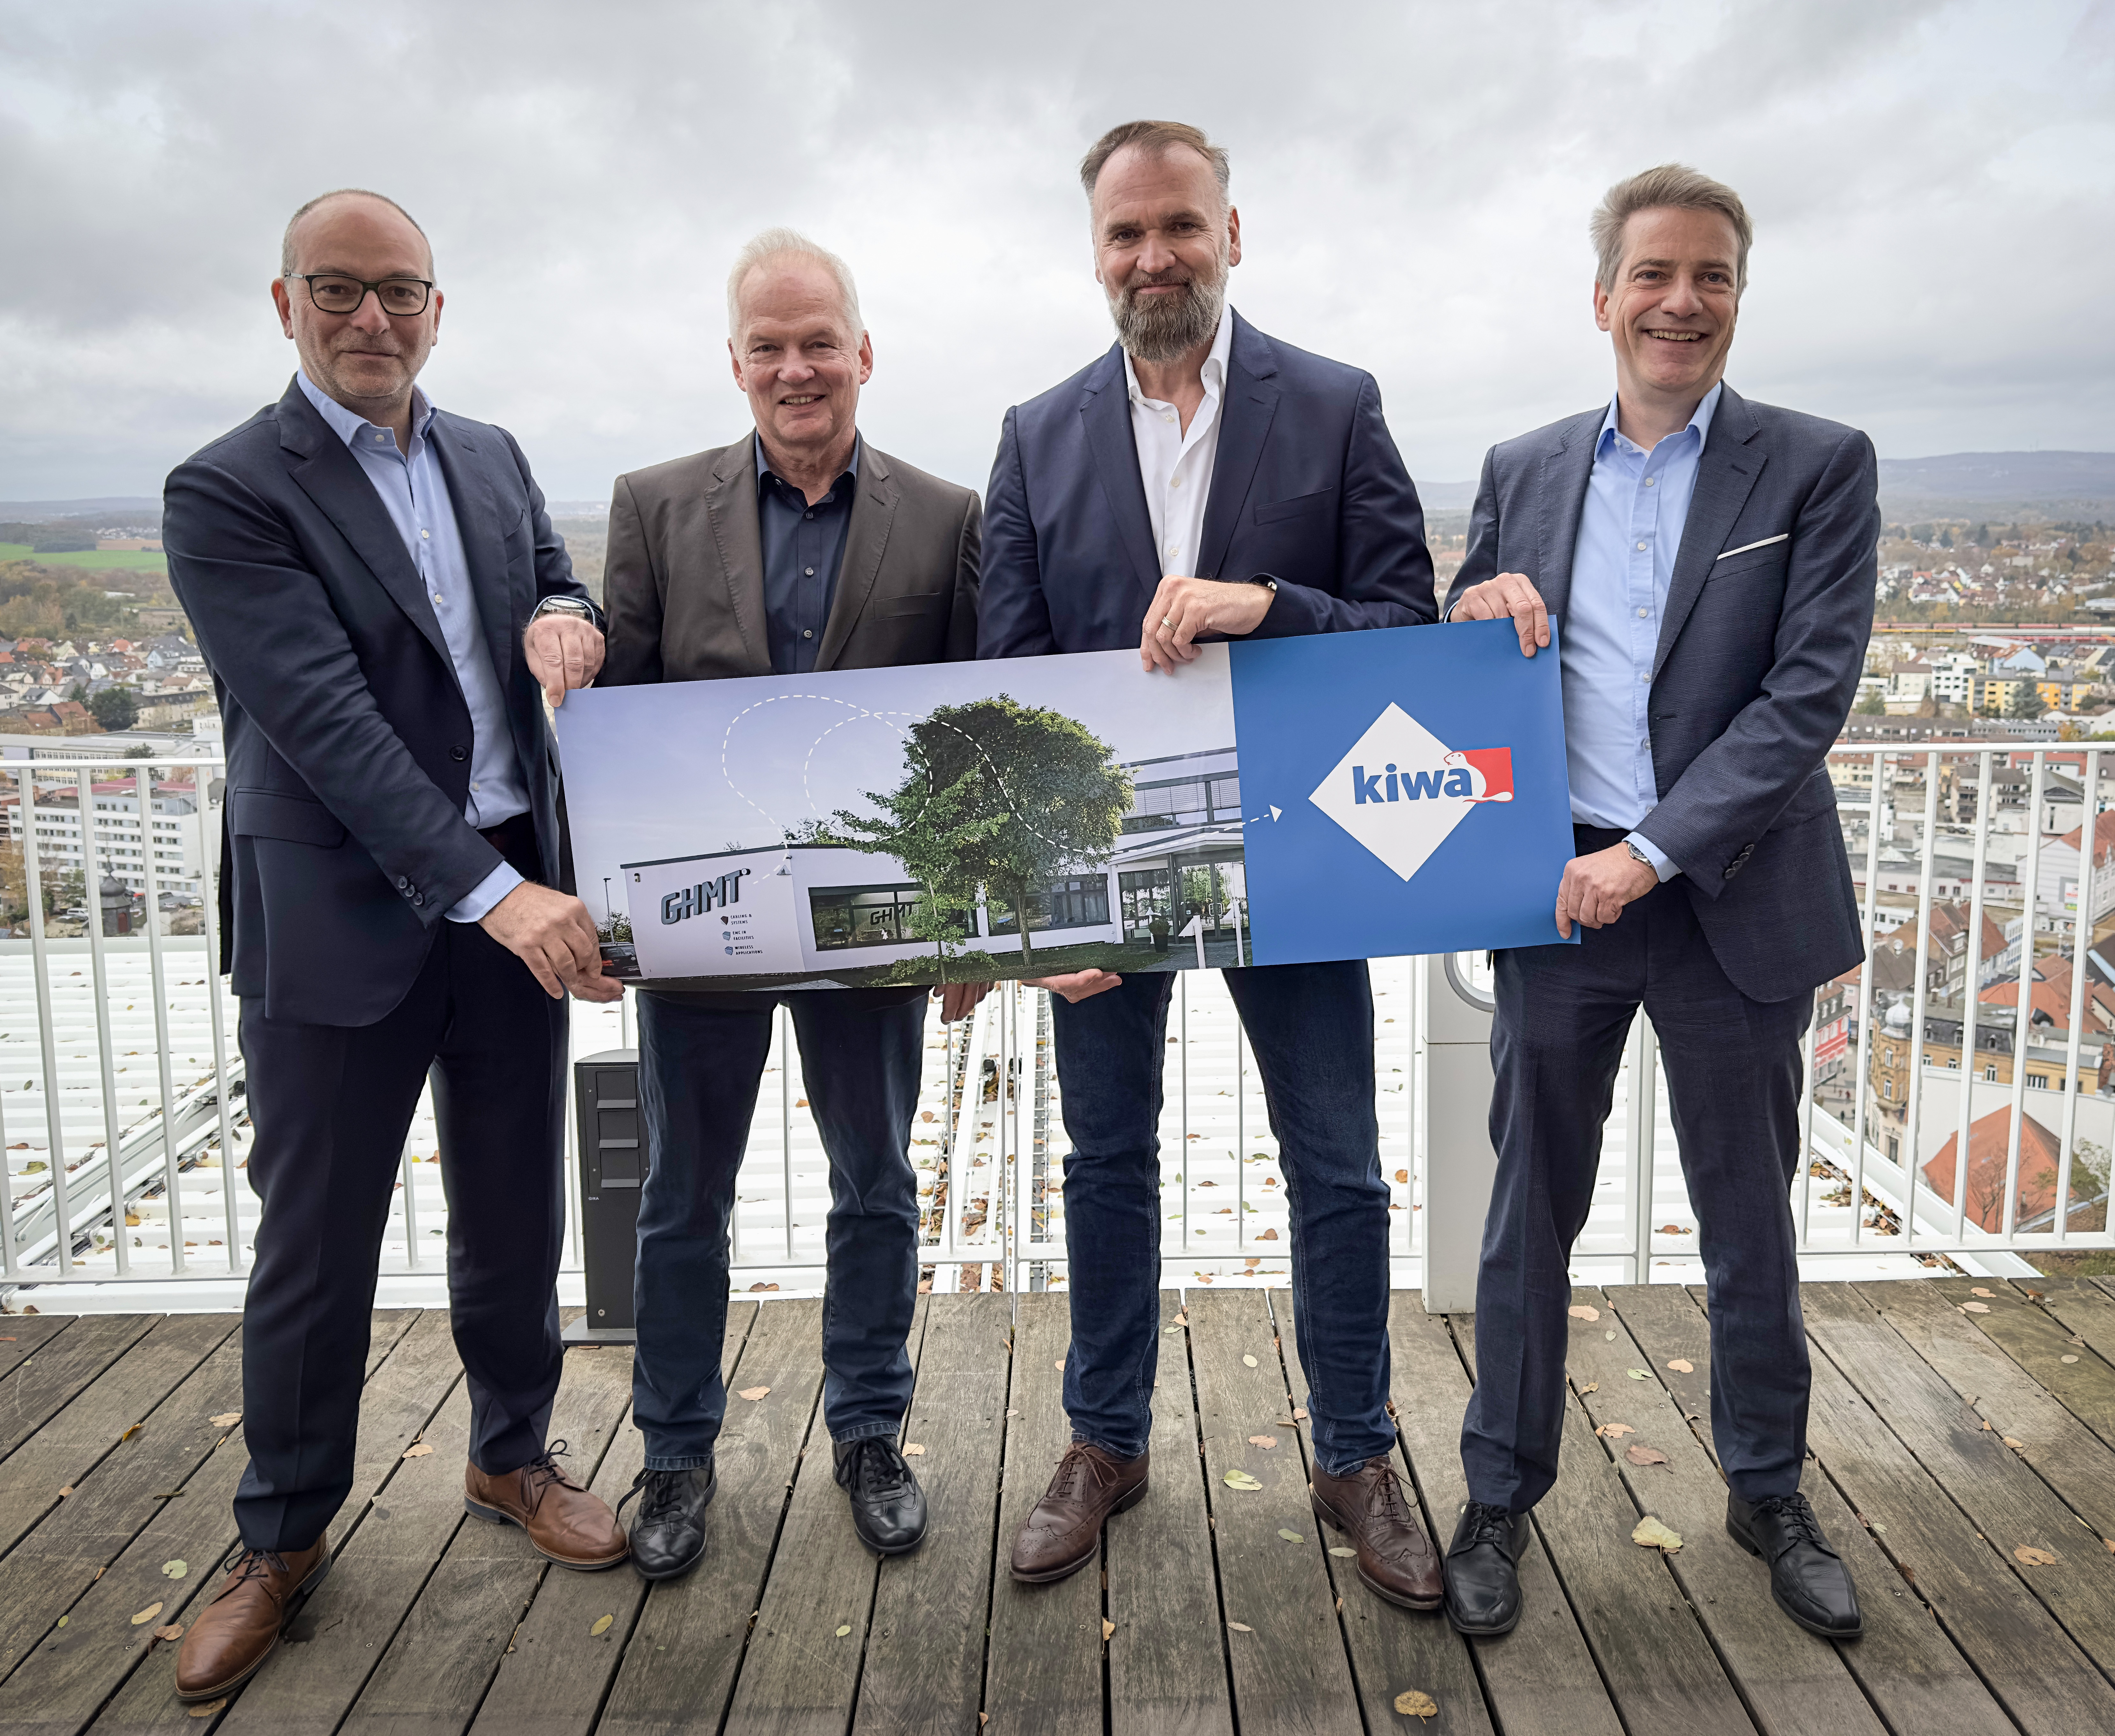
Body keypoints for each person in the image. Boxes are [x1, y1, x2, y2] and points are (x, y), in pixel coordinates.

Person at [162, 189, 627, 1703]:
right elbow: (332, 731)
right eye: (340, 290)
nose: (373, 318)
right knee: (316, 1245)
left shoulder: (489, 456)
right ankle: (282, 1536)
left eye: (401, 292)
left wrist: (565, 614)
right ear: (284, 301)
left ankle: (510, 1456)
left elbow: (544, 583)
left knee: (513, 1208)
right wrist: (499, 899)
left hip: (512, 893)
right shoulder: (225, 489)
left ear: (440, 307)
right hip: (347, 918)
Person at [980, 121, 1442, 1609]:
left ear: (1230, 234)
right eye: (1125, 236)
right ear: (1095, 253)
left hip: (1302, 859)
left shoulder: (1335, 403)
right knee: (1103, 1162)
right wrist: (1040, 899)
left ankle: (1354, 1451)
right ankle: (1103, 1439)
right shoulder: (1033, 433)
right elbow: (1000, 683)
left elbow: (1409, 636)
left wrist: (1269, 603)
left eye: (1178, 226)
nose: (1153, 258)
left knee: (1335, 1169)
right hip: (1103, 875)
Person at [1442, 164, 1873, 1642]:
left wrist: (1652, 852)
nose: (1679, 301)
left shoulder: (1817, 464)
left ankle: (1768, 1491)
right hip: (1556, 895)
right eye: (1652, 275)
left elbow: (1800, 697)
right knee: (1525, 1215)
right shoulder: (1521, 464)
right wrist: (1468, 609)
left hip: (1724, 899)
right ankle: (1497, 1493)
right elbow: (1465, 657)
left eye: (1710, 277)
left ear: (1736, 298)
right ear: (1603, 297)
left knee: (1745, 1220)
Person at [599, 229, 985, 1578]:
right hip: (700, 925)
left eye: (817, 339)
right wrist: (618, 919)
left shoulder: (947, 518)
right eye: (766, 345)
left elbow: (966, 738)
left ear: (862, 353)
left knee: (874, 1181)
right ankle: (674, 1450)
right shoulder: (651, 505)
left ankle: (869, 1428)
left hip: (874, 925)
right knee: (680, 1194)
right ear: (734, 363)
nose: (795, 366)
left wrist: (967, 929)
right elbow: (621, 731)